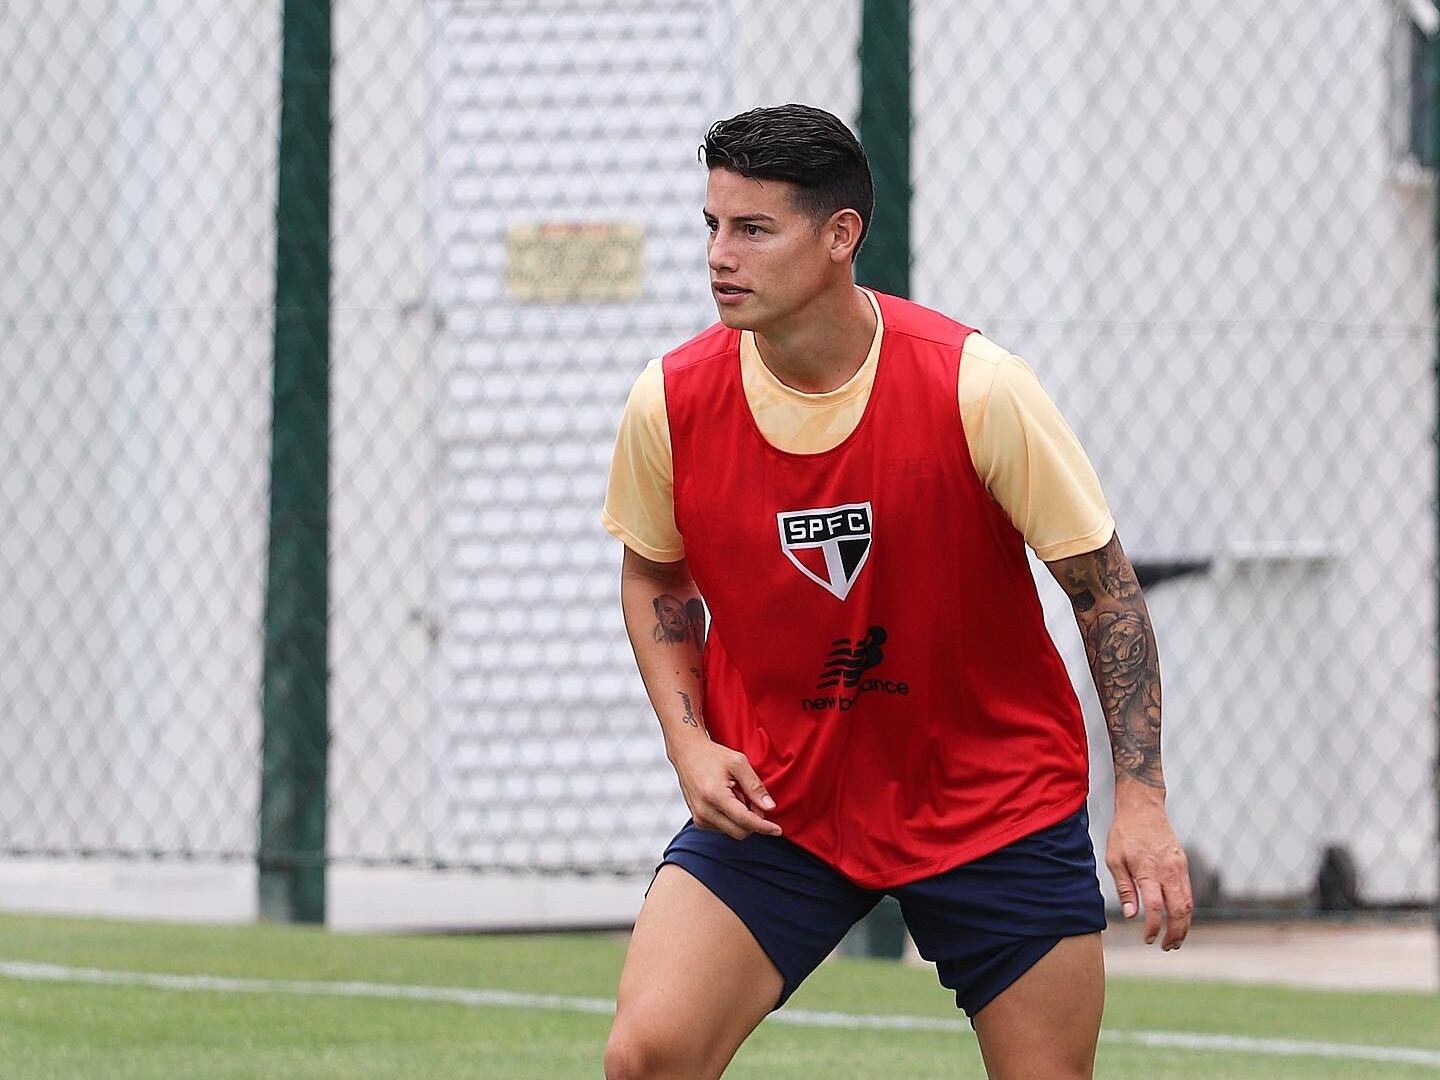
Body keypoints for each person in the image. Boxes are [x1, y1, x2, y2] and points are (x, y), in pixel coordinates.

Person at [599, 103, 1192, 1080]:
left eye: (753, 229)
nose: (719, 256)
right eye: (711, 225)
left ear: (841, 237)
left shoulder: (978, 387)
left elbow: (1106, 591)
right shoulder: (670, 400)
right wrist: (689, 743)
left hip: (989, 795)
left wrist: (1141, 797)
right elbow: (656, 572)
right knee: (647, 1055)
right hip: (780, 796)